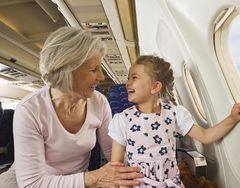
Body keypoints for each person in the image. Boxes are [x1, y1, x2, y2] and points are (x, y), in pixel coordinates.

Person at [9, 26, 144, 188]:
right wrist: (94, 178)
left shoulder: (99, 103)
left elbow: (114, 155)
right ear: (67, 71)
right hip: (33, 181)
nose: (101, 77)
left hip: (78, 181)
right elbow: (32, 183)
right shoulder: (30, 110)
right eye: (94, 69)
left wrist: (155, 170)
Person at [108, 55, 240, 187]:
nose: (127, 83)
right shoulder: (123, 120)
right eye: (128, 78)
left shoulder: (174, 114)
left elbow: (206, 136)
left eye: (134, 78)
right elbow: (117, 168)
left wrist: (232, 118)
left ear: (155, 87)